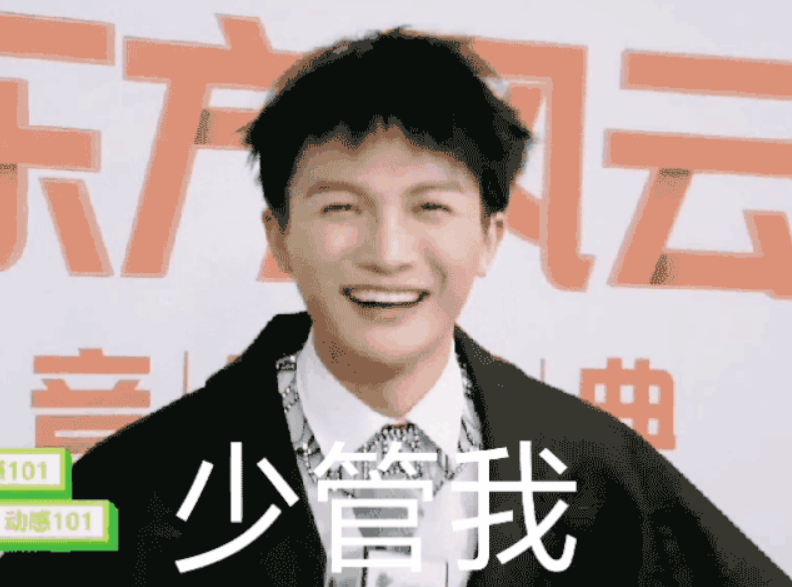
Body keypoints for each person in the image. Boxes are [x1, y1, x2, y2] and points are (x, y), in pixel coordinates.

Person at [1, 27, 789, 587]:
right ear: (279, 237)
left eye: (430, 207)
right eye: (342, 207)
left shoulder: (595, 470)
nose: (387, 251)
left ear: (490, 236)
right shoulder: (132, 480)